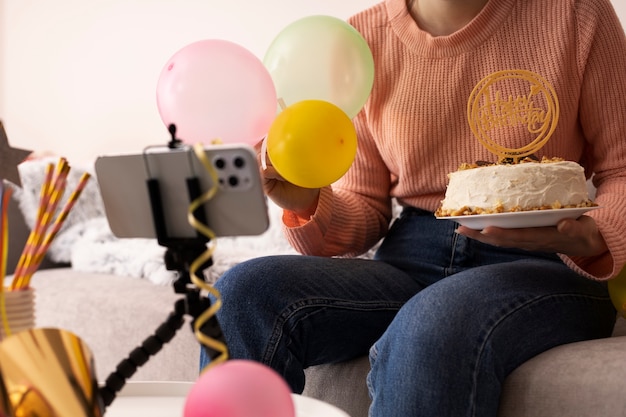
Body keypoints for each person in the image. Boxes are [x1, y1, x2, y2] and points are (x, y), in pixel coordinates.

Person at [200, 0, 626, 415]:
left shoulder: (576, 12)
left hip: (546, 259)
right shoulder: (361, 39)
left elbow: (621, 166)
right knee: (241, 296)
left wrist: (594, 233)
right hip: (413, 257)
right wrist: (310, 202)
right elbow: (367, 204)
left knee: (434, 322)